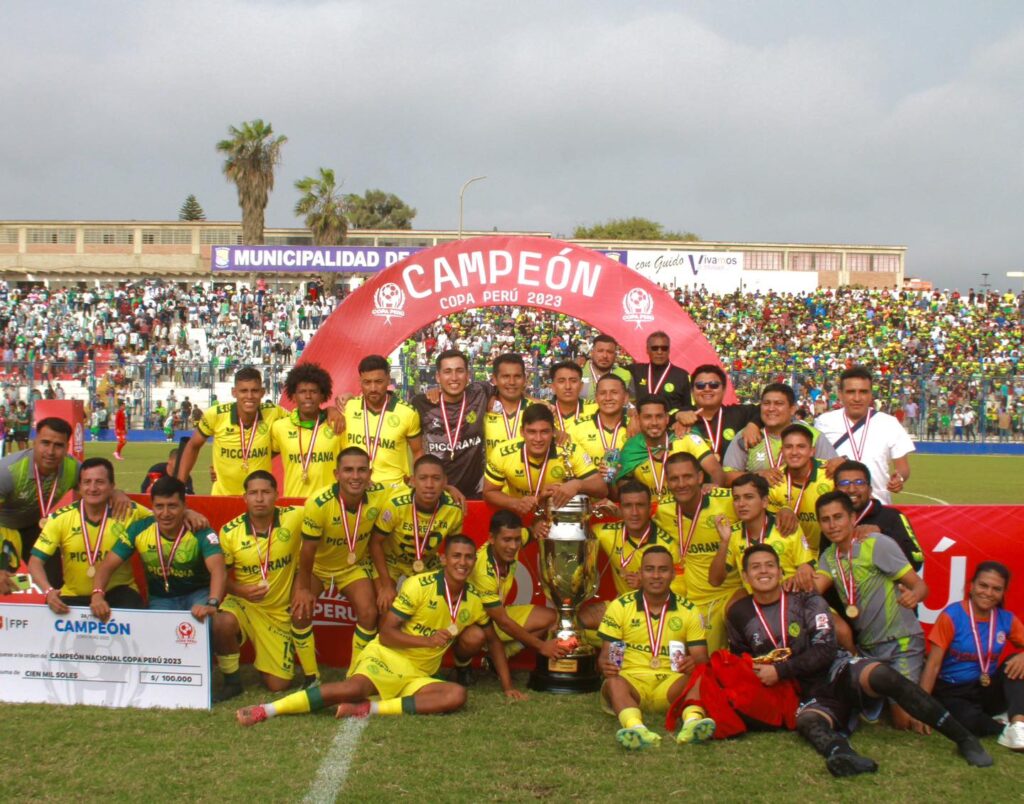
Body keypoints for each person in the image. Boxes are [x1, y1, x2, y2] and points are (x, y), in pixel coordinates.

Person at [670, 543, 992, 775]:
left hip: (835, 671)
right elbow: (743, 658)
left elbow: (825, 650)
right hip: (801, 691)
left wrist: (779, 670)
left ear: (780, 570)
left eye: (769, 565)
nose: (763, 571)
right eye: (755, 567)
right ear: (746, 575)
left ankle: (963, 738)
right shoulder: (738, 613)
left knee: (884, 677)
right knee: (808, 722)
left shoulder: (806, 599)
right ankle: (842, 755)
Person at [236, 535, 524, 726]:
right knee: (350, 689)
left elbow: (494, 641)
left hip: (419, 675)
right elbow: (386, 633)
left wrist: (508, 686)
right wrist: (425, 641)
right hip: (387, 659)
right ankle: (269, 709)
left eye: (469, 558)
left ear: (474, 561)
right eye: (457, 556)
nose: (463, 563)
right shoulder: (419, 585)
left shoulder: (473, 599)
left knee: (456, 696)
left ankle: (367, 709)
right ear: (445, 559)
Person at [813, 491, 930, 731]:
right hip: (867, 649)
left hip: (900, 643)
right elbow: (812, 593)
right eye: (826, 519)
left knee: (903, 722)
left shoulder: (877, 544)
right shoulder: (828, 557)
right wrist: (803, 571)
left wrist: (913, 595)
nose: (832, 525)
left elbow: (920, 585)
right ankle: (899, 694)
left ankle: (915, 688)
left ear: (852, 517)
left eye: (838, 517)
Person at [294, 447, 392, 682]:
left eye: (361, 470)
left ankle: (355, 673)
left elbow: (416, 489)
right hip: (317, 566)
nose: (355, 476)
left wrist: (449, 488)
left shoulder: (381, 493)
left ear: (370, 474)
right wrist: (303, 589)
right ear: (337, 474)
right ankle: (311, 676)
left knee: (369, 612)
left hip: (352, 566)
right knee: (299, 613)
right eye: (348, 470)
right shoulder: (318, 503)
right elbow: (307, 553)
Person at [598, 545, 710, 750]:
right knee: (613, 681)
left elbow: (702, 658)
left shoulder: (690, 610)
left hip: (670, 683)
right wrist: (606, 665)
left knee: (701, 675)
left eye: (663, 569)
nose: (656, 575)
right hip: (632, 683)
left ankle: (692, 723)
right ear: (640, 574)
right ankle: (636, 728)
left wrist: (693, 663)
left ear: (673, 574)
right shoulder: (620, 606)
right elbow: (606, 656)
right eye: (649, 569)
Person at [212, 471, 305, 701]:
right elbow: (221, 577)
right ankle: (232, 680)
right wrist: (239, 590)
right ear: (245, 497)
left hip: (277, 612)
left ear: (277, 494)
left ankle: (267, 660)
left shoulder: (295, 517)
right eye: (253, 493)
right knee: (221, 622)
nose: (260, 498)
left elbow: (329, 505)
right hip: (244, 604)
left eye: (265, 492)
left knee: (278, 686)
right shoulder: (229, 531)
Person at [921, 561, 1024, 749]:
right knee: (967, 722)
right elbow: (933, 665)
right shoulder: (952, 615)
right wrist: (921, 710)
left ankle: (1018, 725)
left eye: (996, 589)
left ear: (1002, 593)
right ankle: (1003, 728)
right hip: (953, 691)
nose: (988, 593)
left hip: (986, 688)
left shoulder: (1005, 618)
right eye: (983, 585)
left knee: (1016, 662)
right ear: (972, 586)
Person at [90, 477, 225, 620]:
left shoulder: (200, 530)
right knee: (158, 631)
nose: (165, 513)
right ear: (152, 507)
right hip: (161, 599)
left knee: (207, 621)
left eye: (172, 506)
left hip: (198, 594)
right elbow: (107, 565)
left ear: (184, 506)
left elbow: (218, 570)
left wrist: (212, 603)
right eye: (159, 506)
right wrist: (97, 594)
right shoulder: (139, 529)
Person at [27, 458, 150, 611]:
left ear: (112, 486)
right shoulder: (60, 518)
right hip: (74, 596)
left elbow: (164, 517)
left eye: (99, 482)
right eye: (87, 482)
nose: (92, 488)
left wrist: (186, 513)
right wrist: (48, 591)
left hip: (119, 593)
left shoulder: (128, 510)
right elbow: (35, 562)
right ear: (79, 486)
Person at [454, 510, 563, 682]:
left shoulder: (515, 541)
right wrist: (542, 646)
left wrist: (538, 524)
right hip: (471, 623)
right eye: (506, 540)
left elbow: (532, 530)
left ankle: (501, 656)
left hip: (496, 614)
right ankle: (462, 665)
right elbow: (503, 623)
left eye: (516, 539)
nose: (513, 546)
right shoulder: (482, 570)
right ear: (491, 539)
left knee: (551, 618)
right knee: (475, 637)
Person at [653, 453, 742, 652]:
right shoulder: (664, 510)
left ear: (700, 478)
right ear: (667, 481)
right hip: (694, 597)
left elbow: (761, 506)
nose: (681, 483)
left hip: (729, 593)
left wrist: (784, 510)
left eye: (687, 476)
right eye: (674, 478)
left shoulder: (728, 501)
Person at [369, 455, 464, 614]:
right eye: (423, 478)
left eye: (436, 478)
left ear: (445, 481)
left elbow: (453, 547)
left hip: (427, 561)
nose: (429, 485)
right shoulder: (395, 504)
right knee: (386, 606)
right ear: (413, 481)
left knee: (436, 607)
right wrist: (386, 585)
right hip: (392, 561)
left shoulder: (454, 509)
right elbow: (375, 543)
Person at [483, 403, 606, 517]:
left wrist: (577, 484)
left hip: (557, 519)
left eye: (544, 432)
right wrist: (515, 503)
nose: (538, 439)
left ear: (553, 431)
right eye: (532, 432)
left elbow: (602, 489)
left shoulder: (569, 450)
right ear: (522, 432)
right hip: (519, 516)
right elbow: (489, 492)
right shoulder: (502, 452)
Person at [177, 367, 286, 495]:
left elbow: (299, 428)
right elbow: (193, 446)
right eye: (243, 391)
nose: (249, 396)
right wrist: (179, 486)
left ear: (262, 392)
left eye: (255, 391)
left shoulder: (274, 412)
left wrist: (267, 453)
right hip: (223, 497)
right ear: (234, 392)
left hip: (259, 499)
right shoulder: (216, 414)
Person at [814, 366, 914, 504]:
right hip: (836, 508)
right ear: (840, 394)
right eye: (850, 392)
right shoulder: (824, 422)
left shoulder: (889, 423)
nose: (857, 398)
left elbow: (903, 467)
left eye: (863, 392)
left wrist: (899, 478)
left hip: (877, 506)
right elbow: (813, 464)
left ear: (871, 394)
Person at [709, 472, 815, 593]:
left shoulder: (786, 525)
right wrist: (724, 542)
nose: (741, 504)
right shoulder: (731, 534)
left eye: (749, 497)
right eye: (736, 498)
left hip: (792, 598)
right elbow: (715, 581)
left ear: (765, 501)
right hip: (757, 605)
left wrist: (799, 577)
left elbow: (806, 567)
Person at [412, 349, 492, 499]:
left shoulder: (480, 392)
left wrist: (538, 401)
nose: (454, 377)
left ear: (468, 375)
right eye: (447, 371)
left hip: (476, 492)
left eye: (459, 371)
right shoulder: (421, 404)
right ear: (438, 376)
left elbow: (510, 389)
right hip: (437, 492)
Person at [723, 383, 838, 483]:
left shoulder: (813, 436)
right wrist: (758, 476)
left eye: (779, 403)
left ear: (792, 409)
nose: (771, 408)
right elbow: (726, 478)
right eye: (766, 403)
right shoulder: (747, 435)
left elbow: (834, 470)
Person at [617, 396, 723, 502]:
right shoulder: (631, 449)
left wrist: (714, 485)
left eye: (659, 416)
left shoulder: (685, 438)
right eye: (647, 417)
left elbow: (716, 470)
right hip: (650, 515)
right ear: (639, 419)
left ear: (667, 418)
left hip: (686, 512)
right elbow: (623, 493)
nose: (654, 422)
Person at [342, 354, 422, 486]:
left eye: (378, 382)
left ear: (388, 380)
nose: (373, 388)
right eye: (367, 382)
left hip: (394, 488)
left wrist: (417, 476)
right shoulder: (348, 408)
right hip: (356, 486)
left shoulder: (408, 412)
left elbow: (418, 451)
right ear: (360, 381)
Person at [270, 362, 346, 498]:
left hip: (327, 504)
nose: (308, 396)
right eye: (302, 392)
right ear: (293, 396)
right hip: (293, 504)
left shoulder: (337, 424)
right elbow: (261, 455)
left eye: (314, 392)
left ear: (323, 396)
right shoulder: (279, 427)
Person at [833, 460, 923, 569]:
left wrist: (882, 535)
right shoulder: (830, 520)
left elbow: (916, 560)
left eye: (859, 482)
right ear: (835, 490)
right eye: (844, 483)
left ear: (870, 489)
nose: (851, 489)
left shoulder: (892, 517)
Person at [766, 424, 835, 553]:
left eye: (801, 447)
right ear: (781, 451)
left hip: (829, 553)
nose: (794, 452)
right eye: (788, 447)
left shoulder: (830, 474)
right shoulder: (774, 481)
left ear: (812, 451)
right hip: (791, 555)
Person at [675, 364, 760, 461]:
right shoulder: (684, 417)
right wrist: (677, 416)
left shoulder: (737, 414)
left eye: (714, 385)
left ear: (724, 389)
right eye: (700, 386)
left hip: (733, 474)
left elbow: (766, 410)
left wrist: (754, 424)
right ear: (692, 391)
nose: (707, 389)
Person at [567, 374, 631, 483]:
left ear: (625, 398)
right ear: (596, 398)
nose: (608, 398)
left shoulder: (635, 427)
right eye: (602, 393)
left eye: (614, 393)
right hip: (588, 495)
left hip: (626, 496)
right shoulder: (576, 428)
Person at [484, 353, 540, 460]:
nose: (512, 382)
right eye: (506, 376)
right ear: (494, 379)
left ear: (524, 379)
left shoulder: (539, 410)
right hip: (491, 476)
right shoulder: (483, 409)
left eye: (517, 376)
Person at [627, 331, 694, 417]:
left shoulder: (682, 375)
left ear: (669, 350)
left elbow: (689, 407)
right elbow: (610, 375)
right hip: (642, 428)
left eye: (664, 348)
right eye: (655, 348)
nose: (659, 352)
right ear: (647, 349)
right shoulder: (636, 370)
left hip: (670, 428)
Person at [580, 334, 632, 403]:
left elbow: (630, 405)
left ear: (615, 355)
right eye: (600, 351)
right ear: (592, 353)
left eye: (609, 352)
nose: (605, 356)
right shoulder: (578, 372)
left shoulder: (625, 375)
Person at [548, 360, 597, 431]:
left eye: (573, 381)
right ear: (553, 386)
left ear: (581, 386)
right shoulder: (544, 409)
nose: (568, 387)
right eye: (561, 381)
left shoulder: (596, 409)